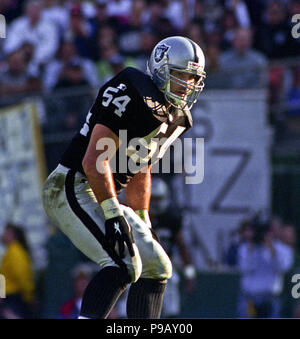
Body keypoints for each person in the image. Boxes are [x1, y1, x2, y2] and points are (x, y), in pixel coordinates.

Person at [42, 35, 206, 319]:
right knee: (123, 265)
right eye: (181, 75)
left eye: (192, 79)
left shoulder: (176, 116)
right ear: (161, 69)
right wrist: (112, 214)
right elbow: (93, 161)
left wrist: (142, 219)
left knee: (157, 267)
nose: (187, 85)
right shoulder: (132, 90)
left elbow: (140, 165)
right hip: (72, 185)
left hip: (102, 192)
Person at [149, 176, 196, 318]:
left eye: (159, 198)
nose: (156, 203)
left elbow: (182, 246)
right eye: (153, 199)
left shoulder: (171, 217)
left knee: (172, 292)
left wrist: (189, 274)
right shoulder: (139, 214)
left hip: (165, 266)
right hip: (142, 265)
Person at [237, 218, 294, 318]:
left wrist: (271, 249)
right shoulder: (245, 248)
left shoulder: (283, 249)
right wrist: (252, 247)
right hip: (249, 298)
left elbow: (283, 268)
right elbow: (245, 268)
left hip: (271, 298)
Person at [0, 223, 35, 319]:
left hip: (14, 298)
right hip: (8, 298)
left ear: (13, 236)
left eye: (6, 233)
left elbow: (22, 277)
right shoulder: (10, 251)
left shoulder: (16, 253)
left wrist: (29, 297)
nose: (3, 235)